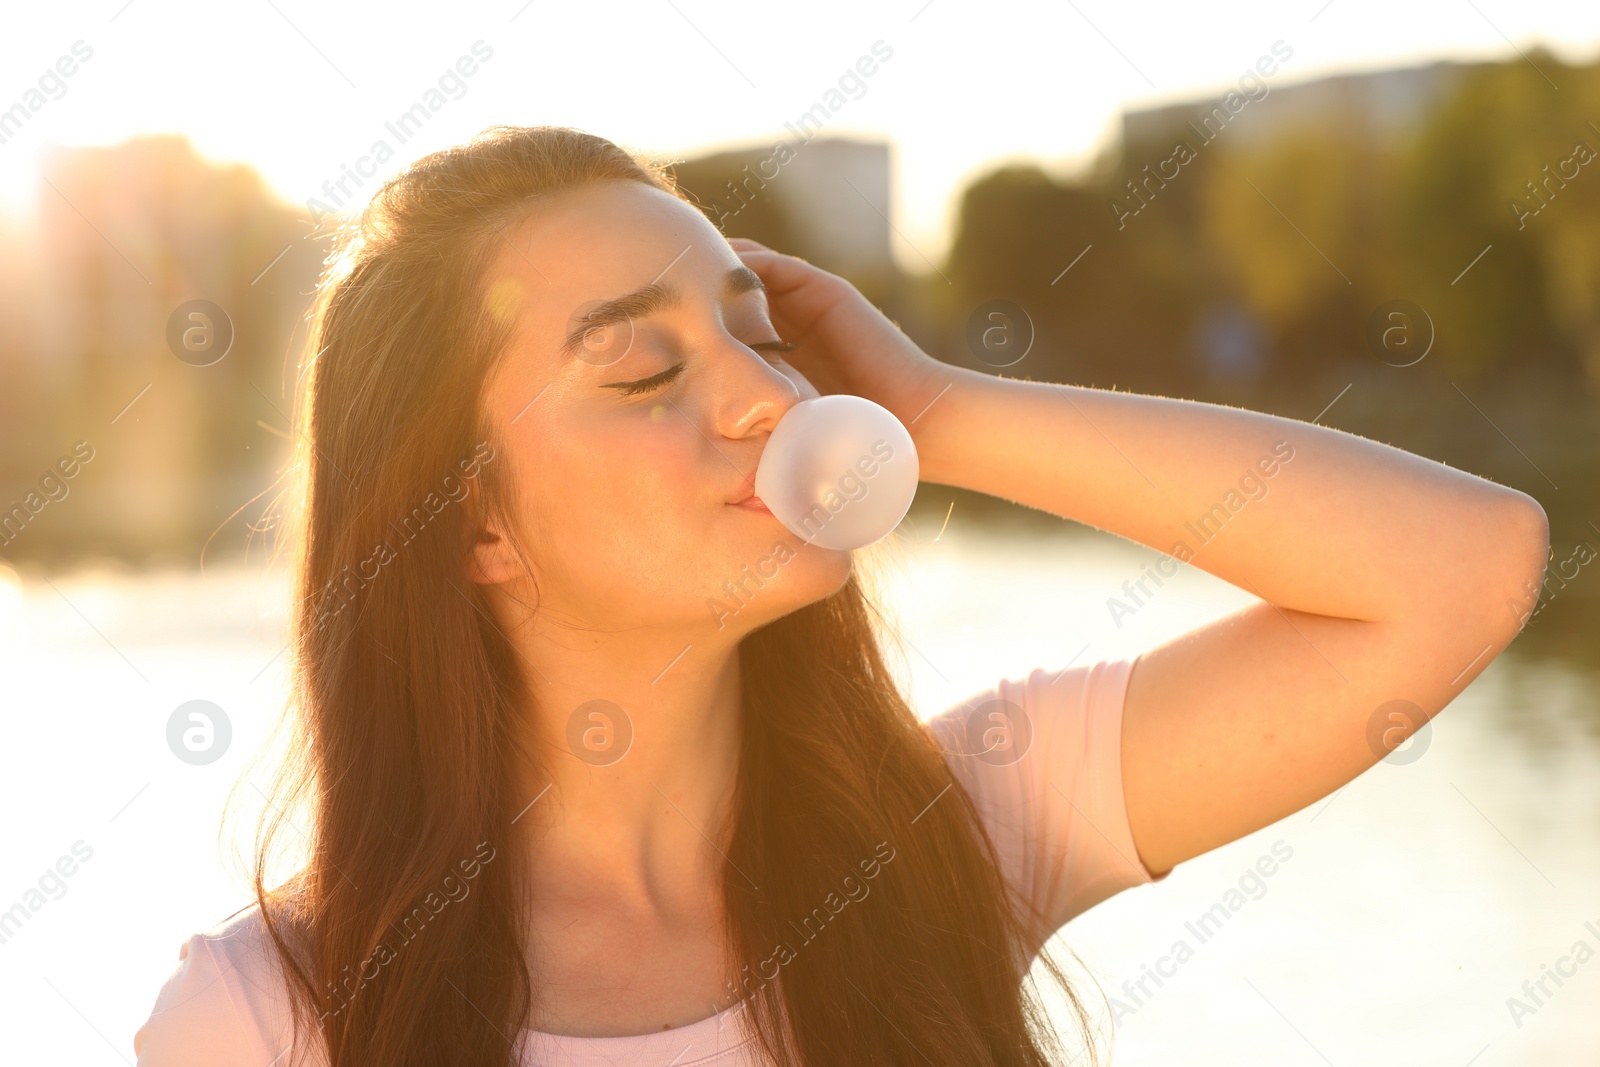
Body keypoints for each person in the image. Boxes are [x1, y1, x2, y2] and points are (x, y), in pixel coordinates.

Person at [132, 125, 1549, 1067]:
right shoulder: (268, 1022)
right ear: (472, 526)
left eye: (760, 334)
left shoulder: (962, 827)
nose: (769, 395)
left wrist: (943, 413)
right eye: (645, 371)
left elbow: (1461, 573)